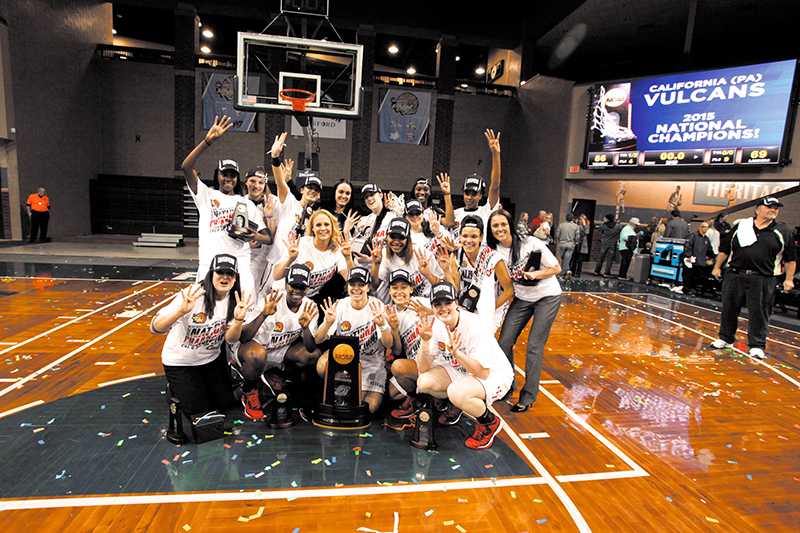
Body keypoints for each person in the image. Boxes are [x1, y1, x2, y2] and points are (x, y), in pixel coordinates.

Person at [415, 282, 514, 449]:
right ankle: (457, 405)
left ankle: (489, 422)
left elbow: (481, 372)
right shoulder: (437, 325)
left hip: (494, 375)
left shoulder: (475, 326)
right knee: (423, 382)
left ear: (456, 303)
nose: (443, 308)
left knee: (456, 391)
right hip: (462, 370)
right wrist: (424, 342)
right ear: (432, 307)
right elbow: (422, 369)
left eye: (448, 302)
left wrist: (458, 354)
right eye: (437, 304)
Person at [181, 115, 272, 295]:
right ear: (218, 175)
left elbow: (267, 237)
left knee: (243, 308)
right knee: (204, 308)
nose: (228, 178)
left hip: (239, 263)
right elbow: (186, 166)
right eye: (224, 174)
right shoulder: (206, 195)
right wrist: (207, 141)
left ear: (238, 178)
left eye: (232, 175)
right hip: (210, 262)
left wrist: (251, 234)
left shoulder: (246, 204)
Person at [489, 209, 562, 412]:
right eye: (495, 225)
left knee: (534, 346)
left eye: (503, 224)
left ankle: (528, 396)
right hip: (522, 298)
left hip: (547, 296)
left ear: (510, 225)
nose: (500, 228)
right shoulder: (494, 251)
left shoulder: (531, 243)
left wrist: (536, 275)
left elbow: (556, 268)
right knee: (503, 341)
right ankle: (507, 386)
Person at [150, 253, 241, 416]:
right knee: (200, 411)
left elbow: (230, 339)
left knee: (225, 404)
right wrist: (180, 311)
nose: (225, 278)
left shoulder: (236, 300)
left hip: (210, 360)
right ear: (211, 273)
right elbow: (156, 328)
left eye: (230, 274)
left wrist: (239, 320)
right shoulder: (193, 294)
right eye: (220, 272)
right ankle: (174, 388)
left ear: (235, 278)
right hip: (181, 363)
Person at [227, 264, 320, 421]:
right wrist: (264, 314)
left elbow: (311, 348)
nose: (296, 290)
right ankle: (249, 390)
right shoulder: (270, 299)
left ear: (307, 288)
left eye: (301, 287)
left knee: (313, 355)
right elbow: (244, 337)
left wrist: (305, 328)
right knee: (258, 355)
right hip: (252, 347)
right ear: (286, 284)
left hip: (279, 349)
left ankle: (275, 374)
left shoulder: (310, 306)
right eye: (293, 285)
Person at [709, 197, 796, 359]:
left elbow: (790, 259)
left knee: (760, 312)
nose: (773, 210)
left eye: (776, 208)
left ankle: (757, 345)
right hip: (734, 274)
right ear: (757, 209)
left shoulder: (783, 231)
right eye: (769, 207)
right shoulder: (741, 226)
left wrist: (789, 279)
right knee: (729, 308)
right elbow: (725, 249)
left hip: (763, 278)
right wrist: (716, 267)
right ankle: (725, 338)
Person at [314, 266, 393, 413]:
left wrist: (382, 326)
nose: (356, 289)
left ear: (368, 287)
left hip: (372, 361)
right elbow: (318, 340)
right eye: (352, 284)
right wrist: (327, 323)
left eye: (361, 285)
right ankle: (336, 390)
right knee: (322, 365)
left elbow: (389, 344)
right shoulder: (340, 305)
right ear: (347, 286)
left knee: (369, 409)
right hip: (345, 360)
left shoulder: (377, 306)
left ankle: (350, 393)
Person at [443, 214, 513, 332]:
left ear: (481, 237)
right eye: (465, 236)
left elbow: (509, 290)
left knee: (482, 343)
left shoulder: (493, 258)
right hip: (468, 306)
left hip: (493, 307)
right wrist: (446, 270)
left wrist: (490, 309)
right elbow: (455, 289)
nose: (469, 240)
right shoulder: (457, 255)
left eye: (474, 236)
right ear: (460, 237)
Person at [271, 209, 354, 302]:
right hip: (285, 294)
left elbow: (350, 278)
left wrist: (348, 257)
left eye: (326, 224)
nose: (323, 228)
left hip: (309, 298)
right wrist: (290, 259)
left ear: (332, 227)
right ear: (313, 229)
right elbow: (276, 276)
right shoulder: (301, 244)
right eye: (318, 225)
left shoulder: (337, 249)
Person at [383, 270, 428, 429]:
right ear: (389, 291)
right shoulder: (389, 312)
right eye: (395, 287)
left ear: (411, 289)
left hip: (435, 359)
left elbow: (453, 313)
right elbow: (396, 351)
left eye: (403, 287)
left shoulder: (423, 302)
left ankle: (442, 401)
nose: (399, 291)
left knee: (398, 367)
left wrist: (429, 313)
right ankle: (419, 400)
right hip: (415, 363)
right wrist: (394, 329)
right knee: (393, 392)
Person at [443, 129, 502, 239]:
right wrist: (447, 195)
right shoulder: (455, 213)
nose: (469, 197)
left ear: (480, 195)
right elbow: (448, 223)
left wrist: (495, 154)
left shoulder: (487, 210)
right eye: (467, 193)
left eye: (474, 193)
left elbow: (495, 186)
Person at [371, 217, 443, 301]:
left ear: (408, 239)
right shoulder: (383, 255)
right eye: (393, 236)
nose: (396, 241)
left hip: (425, 302)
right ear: (386, 237)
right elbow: (373, 287)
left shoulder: (423, 254)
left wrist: (428, 274)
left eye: (401, 237)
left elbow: (442, 287)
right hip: (398, 304)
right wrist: (376, 264)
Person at [243, 166, 280, 292]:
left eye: (260, 182)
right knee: (247, 289)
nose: (256, 185)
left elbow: (274, 236)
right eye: (252, 181)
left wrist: (268, 215)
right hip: (248, 254)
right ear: (246, 182)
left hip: (269, 255)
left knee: (266, 292)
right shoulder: (240, 202)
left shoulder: (274, 202)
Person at [682, 221, 715, 295]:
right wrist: (689, 256)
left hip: (700, 260)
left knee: (697, 276)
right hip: (692, 260)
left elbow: (709, 250)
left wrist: (712, 258)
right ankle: (687, 289)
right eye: (704, 227)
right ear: (700, 227)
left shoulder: (706, 239)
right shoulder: (693, 236)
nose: (705, 229)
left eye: (707, 228)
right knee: (689, 275)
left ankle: (695, 289)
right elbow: (688, 246)